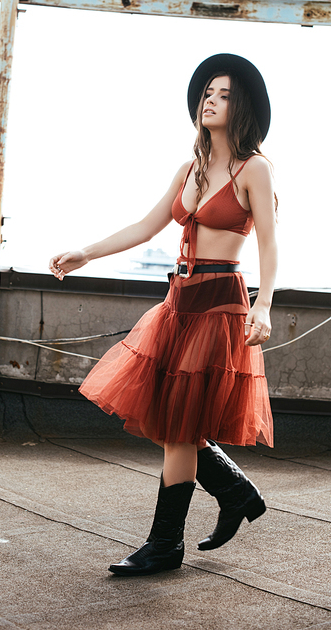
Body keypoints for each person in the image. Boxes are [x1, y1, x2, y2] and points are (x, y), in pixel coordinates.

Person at [49, 53, 277, 577]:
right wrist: (87, 251)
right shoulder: (190, 168)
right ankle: (235, 492)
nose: (209, 100)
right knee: (176, 419)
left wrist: (263, 307)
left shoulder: (255, 168)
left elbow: (270, 244)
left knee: (180, 428)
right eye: (206, 93)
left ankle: (165, 545)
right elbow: (147, 226)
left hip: (220, 301)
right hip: (179, 300)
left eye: (222, 94)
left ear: (240, 105)